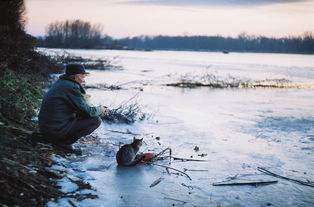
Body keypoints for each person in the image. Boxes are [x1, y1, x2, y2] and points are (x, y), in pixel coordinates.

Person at [38, 63, 108, 154]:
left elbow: (79, 110)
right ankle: (63, 144)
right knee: (95, 120)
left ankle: (60, 141)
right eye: (82, 77)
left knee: (85, 117)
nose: (83, 80)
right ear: (75, 77)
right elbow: (88, 112)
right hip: (54, 129)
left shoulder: (62, 83)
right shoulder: (72, 87)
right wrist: (101, 109)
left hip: (47, 127)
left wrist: (83, 99)